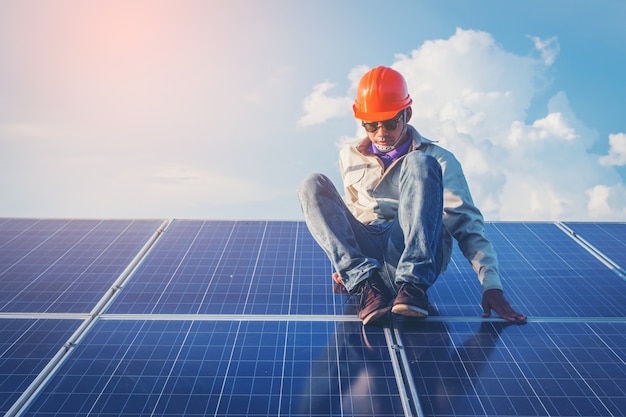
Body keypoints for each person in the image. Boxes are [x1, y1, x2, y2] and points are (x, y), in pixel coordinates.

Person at [297, 66, 527, 325]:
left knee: (420, 162)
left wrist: (491, 284)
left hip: (408, 250)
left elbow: (466, 224)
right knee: (311, 184)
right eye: (371, 125)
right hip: (370, 259)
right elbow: (352, 211)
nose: (381, 133)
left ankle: (412, 287)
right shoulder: (348, 154)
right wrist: (347, 264)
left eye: (391, 122)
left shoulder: (439, 160)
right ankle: (365, 286)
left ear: (407, 114)